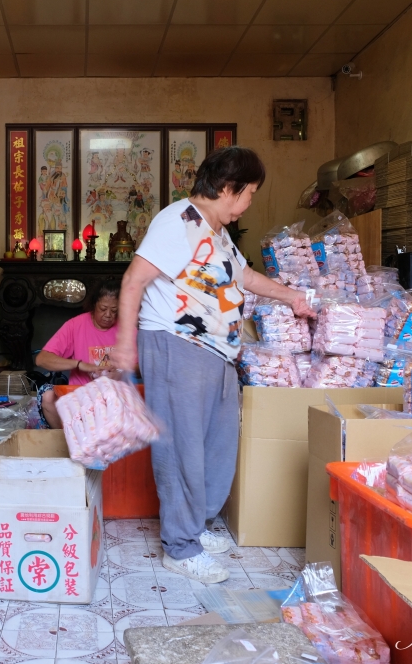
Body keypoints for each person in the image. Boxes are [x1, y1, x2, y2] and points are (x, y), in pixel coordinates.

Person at [111, 147, 314, 584]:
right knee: (182, 447)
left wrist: (293, 297)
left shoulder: (217, 230)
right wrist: (125, 344)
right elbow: (134, 280)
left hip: (218, 350)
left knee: (217, 445)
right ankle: (180, 547)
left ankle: (197, 526)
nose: (250, 202)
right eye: (250, 193)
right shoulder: (177, 221)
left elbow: (244, 278)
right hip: (175, 342)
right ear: (228, 189)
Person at [34, 278, 119, 428]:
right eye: (103, 308)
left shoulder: (126, 327)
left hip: (115, 399)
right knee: (47, 396)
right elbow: (42, 359)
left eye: (114, 311)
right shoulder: (76, 325)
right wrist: (80, 365)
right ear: (93, 305)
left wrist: (121, 371)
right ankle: (69, 439)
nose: (108, 315)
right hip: (81, 399)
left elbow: (142, 366)